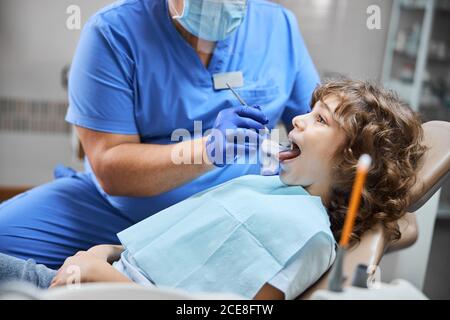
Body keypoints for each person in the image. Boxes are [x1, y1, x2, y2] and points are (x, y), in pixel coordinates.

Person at [0, 80, 427, 299]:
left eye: (320, 120)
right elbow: (148, 254)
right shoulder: (270, 190)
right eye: (309, 112)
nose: (297, 120)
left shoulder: (310, 238)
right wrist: (98, 255)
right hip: (85, 277)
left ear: (352, 160)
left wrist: (101, 278)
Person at [0, 0, 320, 269]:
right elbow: (111, 166)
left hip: (234, 216)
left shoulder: (279, 28)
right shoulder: (113, 33)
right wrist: (208, 150)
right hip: (118, 211)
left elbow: (320, 130)